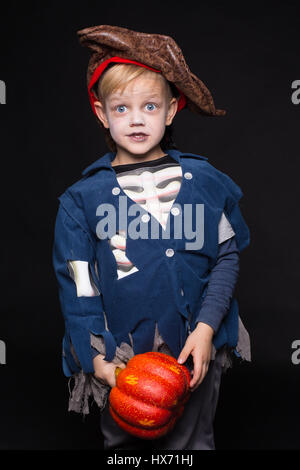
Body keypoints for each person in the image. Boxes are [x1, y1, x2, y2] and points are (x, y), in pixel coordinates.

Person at [52, 25, 251, 450]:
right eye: (121, 108)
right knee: (123, 446)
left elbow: (226, 257)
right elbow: (80, 283)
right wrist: (99, 358)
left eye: (149, 105)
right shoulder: (81, 201)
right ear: (102, 113)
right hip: (123, 358)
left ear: (172, 110)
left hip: (192, 350)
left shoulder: (205, 183)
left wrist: (205, 330)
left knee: (193, 442)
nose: (137, 118)